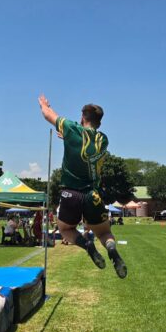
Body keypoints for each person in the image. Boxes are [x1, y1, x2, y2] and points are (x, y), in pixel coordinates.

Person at [38, 94, 127, 278]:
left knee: (65, 229)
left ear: (82, 118)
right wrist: (69, 139)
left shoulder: (71, 129)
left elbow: (48, 114)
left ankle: (87, 245)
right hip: (92, 194)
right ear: (99, 123)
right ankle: (111, 250)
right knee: (104, 233)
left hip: (70, 193)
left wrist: (44, 105)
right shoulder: (103, 140)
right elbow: (85, 149)